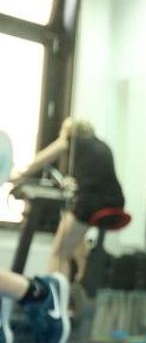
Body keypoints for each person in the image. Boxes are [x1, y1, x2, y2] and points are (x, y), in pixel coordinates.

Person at [9, 117, 125, 281]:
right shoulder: (101, 146)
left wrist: (18, 175)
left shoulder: (72, 140)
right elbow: (95, 177)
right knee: (76, 242)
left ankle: (56, 294)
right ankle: (80, 285)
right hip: (115, 202)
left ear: (70, 131)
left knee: (59, 252)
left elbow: (40, 160)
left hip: (90, 203)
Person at [1, 129, 70, 343]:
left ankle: (39, 294)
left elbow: (46, 157)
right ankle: (35, 293)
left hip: (90, 202)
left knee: (63, 250)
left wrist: (22, 172)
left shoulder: (69, 140)